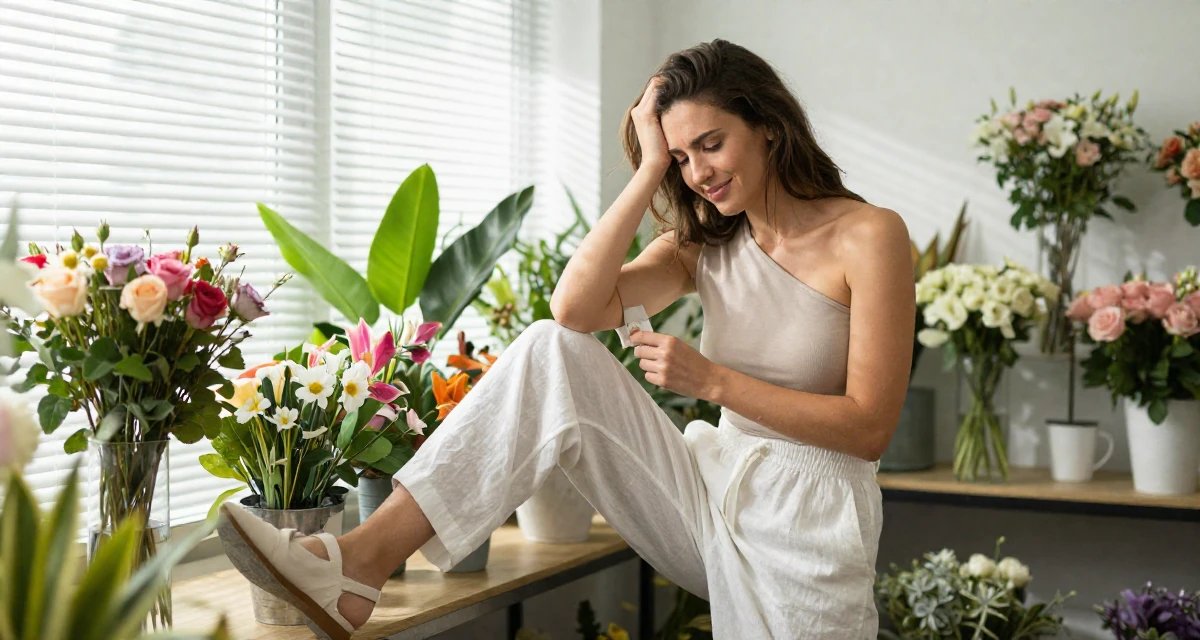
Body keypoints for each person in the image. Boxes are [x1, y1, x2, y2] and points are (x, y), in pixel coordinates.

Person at [217, 38, 915, 639]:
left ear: (767, 126)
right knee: (554, 350)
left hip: (813, 519)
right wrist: (647, 170)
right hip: (712, 492)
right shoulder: (700, 246)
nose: (698, 172)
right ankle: (360, 563)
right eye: (681, 157)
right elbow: (574, 309)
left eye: (711, 143)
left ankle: (355, 567)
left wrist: (713, 382)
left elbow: (869, 428)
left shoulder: (868, 235)